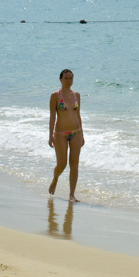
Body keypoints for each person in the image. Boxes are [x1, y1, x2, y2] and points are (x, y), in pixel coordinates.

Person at [48, 68, 84, 201]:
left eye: (71, 78)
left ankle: (72, 194)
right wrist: (50, 135)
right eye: (66, 78)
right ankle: (55, 178)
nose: (69, 81)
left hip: (76, 132)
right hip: (60, 134)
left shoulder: (77, 95)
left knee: (74, 164)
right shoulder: (55, 96)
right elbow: (52, 117)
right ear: (61, 80)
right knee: (62, 164)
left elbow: (78, 115)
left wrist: (82, 134)